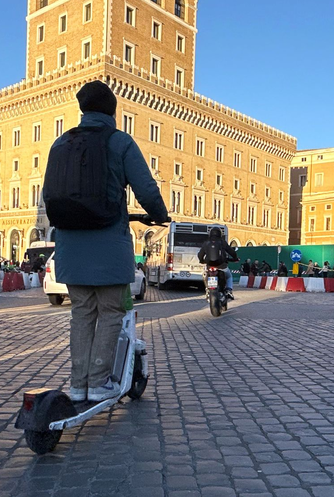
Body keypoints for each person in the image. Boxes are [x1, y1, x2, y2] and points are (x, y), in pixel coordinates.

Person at [44, 80, 169, 401]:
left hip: (70, 246)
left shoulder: (60, 144)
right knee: (112, 311)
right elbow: (146, 189)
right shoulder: (119, 142)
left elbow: (49, 194)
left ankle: (77, 383)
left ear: (83, 110)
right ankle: (99, 382)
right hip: (108, 247)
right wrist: (159, 214)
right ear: (112, 111)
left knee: (82, 313)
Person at [197, 227, 239, 298]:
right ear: (220, 234)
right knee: (229, 276)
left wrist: (201, 260)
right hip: (222, 265)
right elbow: (231, 251)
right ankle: (229, 290)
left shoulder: (206, 243)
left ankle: (207, 289)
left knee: (205, 275)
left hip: (209, 266)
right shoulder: (222, 242)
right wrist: (235, 258)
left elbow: (200, 254)